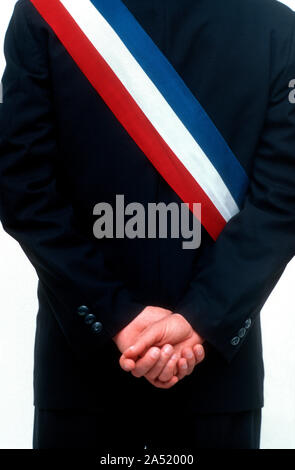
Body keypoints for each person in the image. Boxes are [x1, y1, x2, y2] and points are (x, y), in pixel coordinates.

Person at [0, 0, 294, 450]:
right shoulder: (277, 25)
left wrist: (116, 317)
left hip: (82, 378)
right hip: (214, 378)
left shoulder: (47, 12)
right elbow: (284, 201)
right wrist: (203, 319)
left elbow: (23, 185)